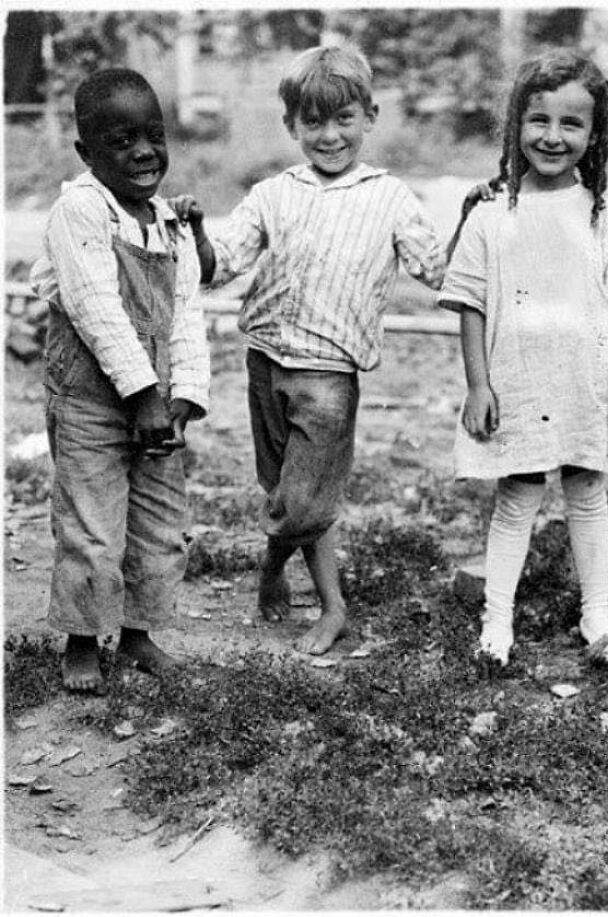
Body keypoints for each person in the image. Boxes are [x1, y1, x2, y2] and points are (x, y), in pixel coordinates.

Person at [173, 45, 445, 655]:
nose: (330, 135)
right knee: (281, 489)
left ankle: (332, 608)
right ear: (292, 125)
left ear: (370, 116)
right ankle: (272, 572)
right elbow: (219, 265)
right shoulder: (273, 194)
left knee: (305, 502)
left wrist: (481, 217)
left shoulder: (391, 198)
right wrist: (193, 229)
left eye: (344, 119)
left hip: (329, 376)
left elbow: (440, 271)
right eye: (314, 122)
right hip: (265, 359)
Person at [439, 51, 608, 666]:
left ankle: (597, 617)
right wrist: (479, 386)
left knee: (587, 492)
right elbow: (470, 304)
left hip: (585, 382)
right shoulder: (491, 215)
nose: (553, 137)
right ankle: (496, 624)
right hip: (518, 381)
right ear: (515, 126)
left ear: (594, 134)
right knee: (518, 495)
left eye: (571, 124)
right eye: (539, 121)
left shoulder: (603, 214)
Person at [30, 69, 210, 692]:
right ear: (86, 153)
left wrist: (183, 395)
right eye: (121, 140)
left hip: (156, 407)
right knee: (92, 525)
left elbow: (185, 311)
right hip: (92, 404)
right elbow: (94, 307)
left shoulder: (167, 221)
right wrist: (141, 395)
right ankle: (83, 638)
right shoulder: (79, 210)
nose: (143, 152)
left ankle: (138, 633)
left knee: (159, 524)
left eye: (154, 135)